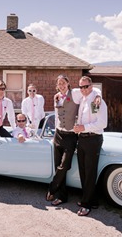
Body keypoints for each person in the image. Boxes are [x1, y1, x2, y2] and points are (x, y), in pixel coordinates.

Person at [73, 76, 107, 216]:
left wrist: (83, 127)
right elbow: (71, 91)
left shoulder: (96, 101)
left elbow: (102, 123)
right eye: (81, 87)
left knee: (90, 172)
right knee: (83, 171)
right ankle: (91, 199)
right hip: (82, 139)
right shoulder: (83, 99)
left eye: (86, 86)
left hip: (93, 139)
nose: (83, 89)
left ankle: (86, 205)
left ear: (91, 86)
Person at [45, 74, 80, 206]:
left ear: (68, 83)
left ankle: (52, 188)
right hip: (58, 135)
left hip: (71, 135)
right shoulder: (57, 97)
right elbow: (57, 116)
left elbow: (93, 91)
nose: (61, 85)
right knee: (57, 165)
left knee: (64, 165)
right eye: (59, 83)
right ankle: (61, 197)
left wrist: (98, 96)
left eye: (63, 82)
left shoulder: (75, 93)